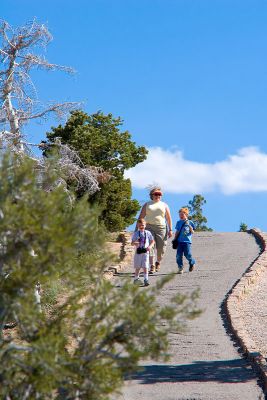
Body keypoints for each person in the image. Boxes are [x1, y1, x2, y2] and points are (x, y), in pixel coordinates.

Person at [138, 187, 172, 274]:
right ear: (152, 195)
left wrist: (170, 229)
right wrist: (137, 230)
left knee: (161, 248)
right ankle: (152, 265)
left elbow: (168, 218)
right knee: (150, 246)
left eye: (159, 194)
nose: (158, 196)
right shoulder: (147, 205)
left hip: (161, 228)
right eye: (156, 194)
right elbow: (141, 217)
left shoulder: (164, 205)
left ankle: (158, 262)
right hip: (149, 227)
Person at [131, 218, 155, 286]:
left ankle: (146, 279)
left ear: (145, 225)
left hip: (145, 252)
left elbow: (152, 241)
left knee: (145, 266)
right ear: (138, 226)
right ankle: (136, 279)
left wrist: (150, 246)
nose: (141, 226)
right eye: (140, 225)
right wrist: (136, 242)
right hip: (138, 252)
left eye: (143, 225)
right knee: (138, 266)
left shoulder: (148, 233)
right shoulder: (136, 233)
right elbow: (132, 243)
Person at [173, 207, 196, 274]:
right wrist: (175, 239)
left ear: (186, 214)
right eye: (180, 215)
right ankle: (180, 268)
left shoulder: (190, 222)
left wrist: (190, 228)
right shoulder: (178, 222)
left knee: (187, 254)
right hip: (179, 242)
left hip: (187, 242)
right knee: (178, 255)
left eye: (182, 215)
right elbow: (177, 231)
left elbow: (192, 232)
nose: (181, 216)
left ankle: (192, 262)